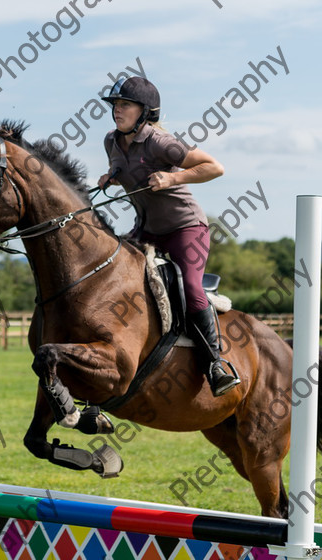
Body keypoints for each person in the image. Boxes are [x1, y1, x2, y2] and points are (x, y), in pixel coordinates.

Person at [98, 76, 240, 397]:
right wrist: (113, 178)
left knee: (190, 286)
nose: (117, 111)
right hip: (147, 229)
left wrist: (172, 179)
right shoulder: (110, 141)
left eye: (125, 105)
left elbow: (214, 167)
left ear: (144, 112)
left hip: (185, 228)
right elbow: (129, 172)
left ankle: (215, 364)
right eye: (115, 105)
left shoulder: (161, 143)